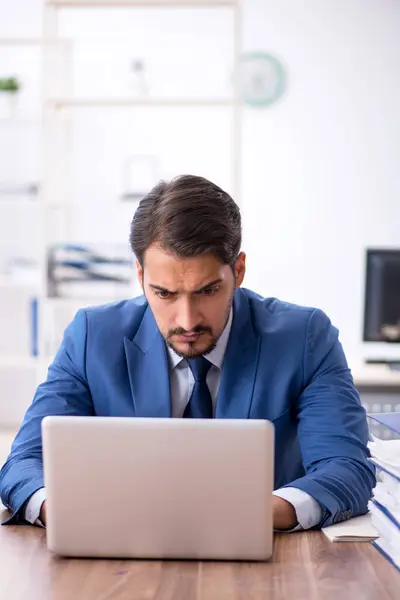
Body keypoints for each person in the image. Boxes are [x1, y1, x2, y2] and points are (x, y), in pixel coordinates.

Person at [0, 174, 375, 531]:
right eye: (164, 293)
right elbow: (23, 464)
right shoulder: (91, 337)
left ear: (239, 270)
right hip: (121, 557)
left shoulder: (305, 338)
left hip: (266, 557)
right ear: (140, 276)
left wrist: (244, 514)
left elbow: (347, 469)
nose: (187, 320)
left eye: (207, 291)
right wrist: (68, 511)